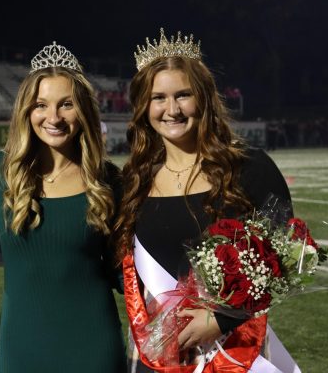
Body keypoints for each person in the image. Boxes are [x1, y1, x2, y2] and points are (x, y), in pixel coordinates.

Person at [115, 29, 295, 372]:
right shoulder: (134, 181)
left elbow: (288, 252)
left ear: (204, 98)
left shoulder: (250, 167)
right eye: (158, 98)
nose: (172, 110)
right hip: (158, 353)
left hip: (237, 351)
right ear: (143, 106)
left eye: (183, 95)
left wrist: (222, 318)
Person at [0, 42, 126, 373]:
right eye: (41, 105)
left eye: (66, 105)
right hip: (22, 347)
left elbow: (127, 271)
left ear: (85, 110)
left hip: (94, 347)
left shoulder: (109, 181)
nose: (53, 118)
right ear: (25, 111)